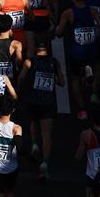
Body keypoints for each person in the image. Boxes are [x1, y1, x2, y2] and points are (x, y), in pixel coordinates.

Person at [17, 40, 64, 183]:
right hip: (48, 103)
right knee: (46, 135)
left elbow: (21, 79)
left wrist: (18, 93)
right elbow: (61, 82)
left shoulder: (30, 62)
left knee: (33, 122)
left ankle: (34, 144)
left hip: (33, 100)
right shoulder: (54, 63)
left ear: (36, 49)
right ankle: (44, 163)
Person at [56, 0, 100, 120]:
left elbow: (59, 32)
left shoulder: (68, 13)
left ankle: (82, 109)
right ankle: (94, 94)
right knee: (98, 68)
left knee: (75, 79)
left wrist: (55, 32)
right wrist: (94, 36)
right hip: (91, 49)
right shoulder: (93, 11)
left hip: (76, 52)